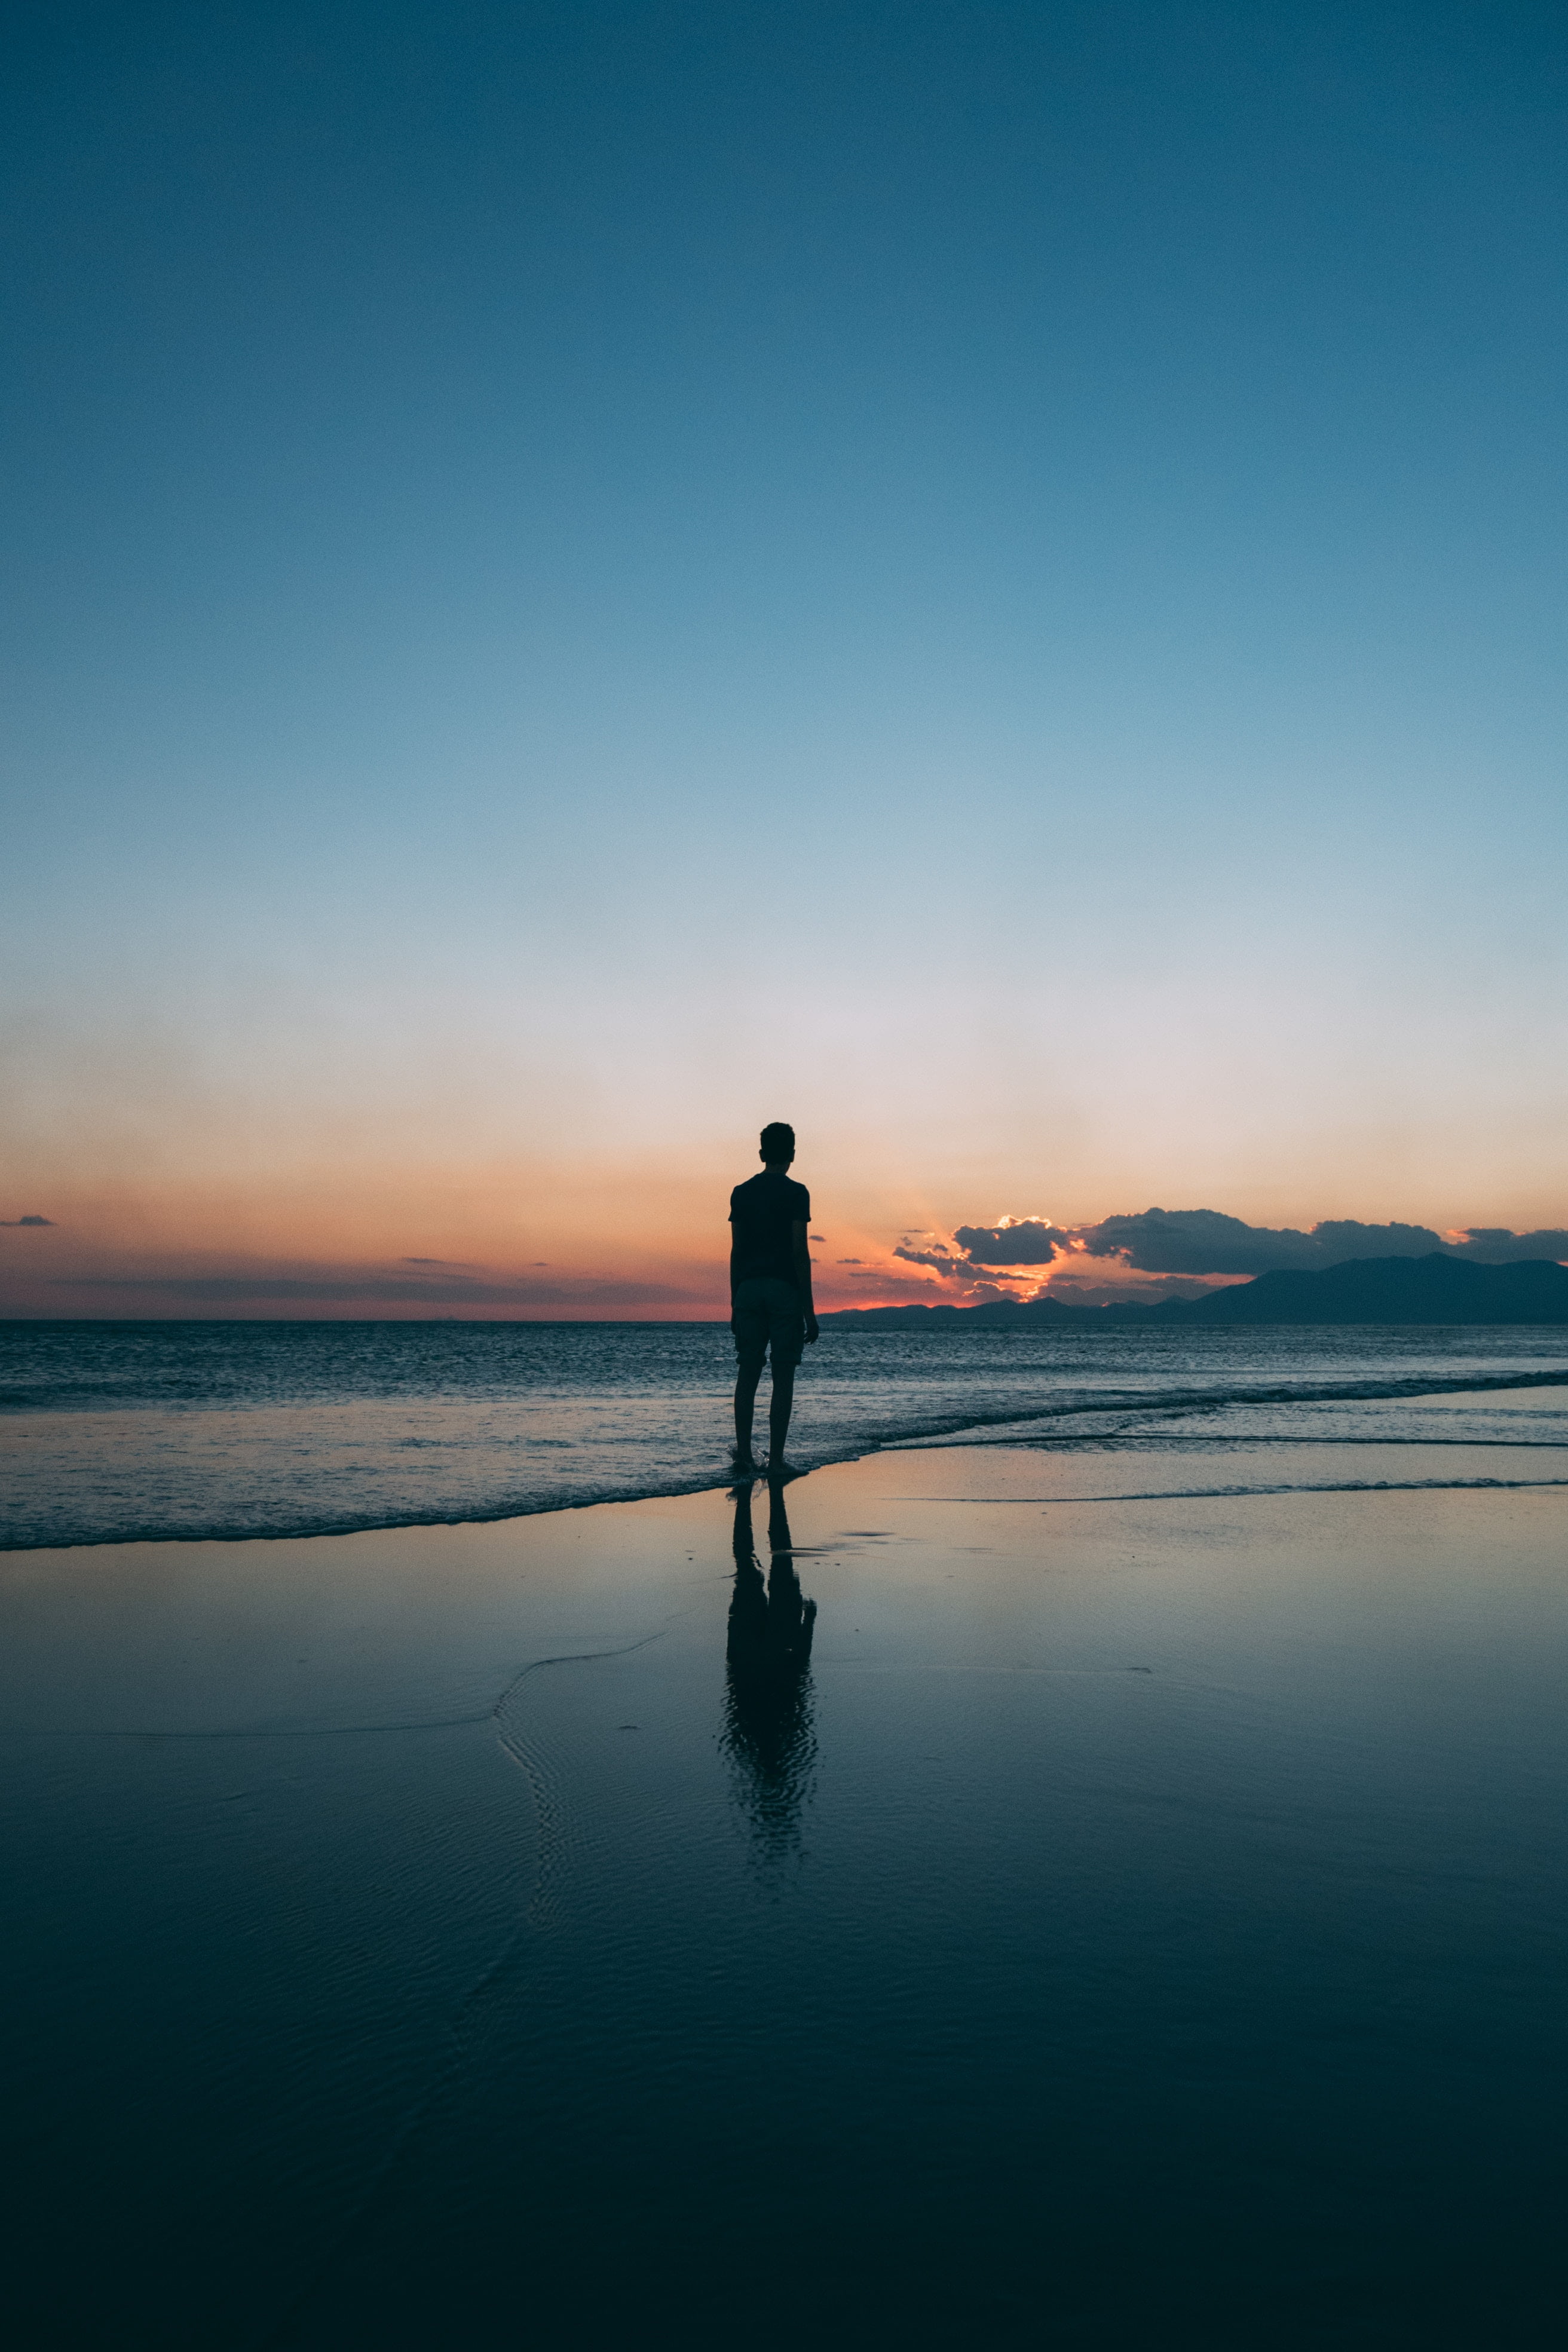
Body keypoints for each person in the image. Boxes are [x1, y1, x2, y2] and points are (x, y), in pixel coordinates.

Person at [729, 1120, 818, 1474]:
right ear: (792, 1155)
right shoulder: (797, 1193)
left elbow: (737, 1252)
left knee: (748, 1373)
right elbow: (799, 1252)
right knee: (783, 1377)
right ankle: (777, 1461)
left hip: (748, 1291)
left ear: (762, 1153)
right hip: (783, 1292)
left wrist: (734, 1303)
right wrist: (809, 1311)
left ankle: (745, 1457)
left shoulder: (741, 1192)